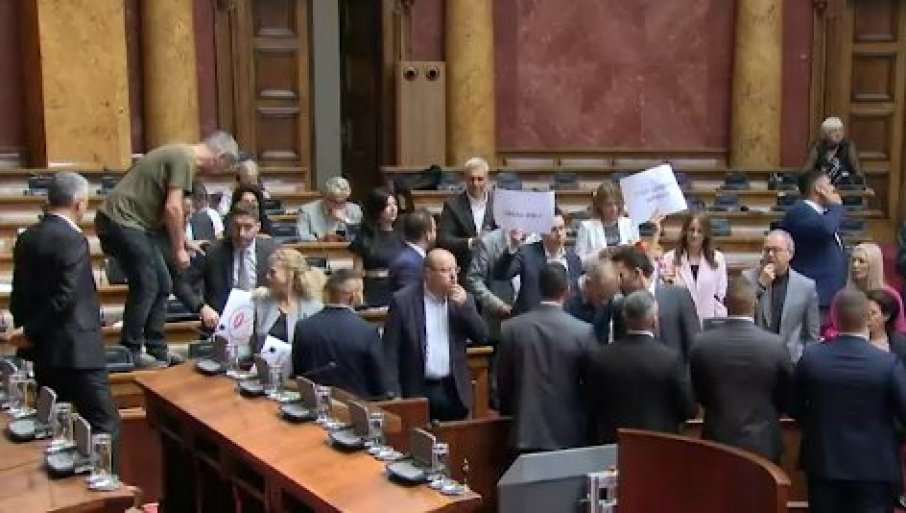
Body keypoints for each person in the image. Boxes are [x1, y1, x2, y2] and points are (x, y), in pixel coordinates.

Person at [95, 131, 239, 367]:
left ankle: (157, 349)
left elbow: (165, 208)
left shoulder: (180, 156)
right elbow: (173, 208)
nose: (215, 173)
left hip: (133, 225)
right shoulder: (184, 158)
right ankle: (130, 349)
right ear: (220, 158)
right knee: (147, 283)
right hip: (121, 221)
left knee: (164, 283)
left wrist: (184, 241)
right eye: (223, 168)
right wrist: (179, 249)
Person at [5, 172, 120, 447]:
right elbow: (66, 297)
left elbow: (19, 296)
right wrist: (29, 330)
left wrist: (27, 332)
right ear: (79, 203)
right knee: (105, 426)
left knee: (57, 428)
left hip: (44, 353)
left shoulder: (27, 238)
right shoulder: (73, 239)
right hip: (78, 353)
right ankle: (101, 476)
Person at [791, 289, 906, 513]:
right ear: (866, 317)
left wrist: (817, 424)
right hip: (875, 468)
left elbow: (793, 405)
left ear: (834, 317)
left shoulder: (812, 358)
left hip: (824, 463)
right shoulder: (887, 364)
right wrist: (888, 435)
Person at [689, 277, 793, 463]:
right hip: (763, 443)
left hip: (718, 442)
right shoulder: (775, 345)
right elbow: (786, 395)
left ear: (725, 304)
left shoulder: (702, 344)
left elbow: (699, 392)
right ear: (755, 303)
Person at [497, 264, 597, 452]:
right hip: (569, 433)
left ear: (539, 288)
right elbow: (591, 385)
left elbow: (503, 383)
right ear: (568, 290)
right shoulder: (583, 332)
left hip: (525, 431)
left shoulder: (511, 329)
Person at [382, 249, 487, 421]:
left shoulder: (463, 300)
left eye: (455, 270)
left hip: (453, 389)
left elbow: (481, 336)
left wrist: (465, 308)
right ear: (427, 273)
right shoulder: (403, 301)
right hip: (417, 389)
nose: (453, 276)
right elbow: (390, 351)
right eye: (445, 270)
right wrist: (393, 394)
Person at [585, 290, 696, 444]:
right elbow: (688, 410)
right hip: (659, 443)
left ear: (625, 318)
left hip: (615, 444)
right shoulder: (670, 360)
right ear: (654, 321)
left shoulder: (601, 358)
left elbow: (592, 405)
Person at [292, 269, 385, 398]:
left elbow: (298, 372)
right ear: (353, 296)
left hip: (313, 402)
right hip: (355, 405)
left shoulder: (303, 327)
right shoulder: (367, 331)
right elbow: (379, 381)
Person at [608, 246, 700, 363]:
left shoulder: (678, 297)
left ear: (637, 273)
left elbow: (694, 343)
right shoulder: (619, 306)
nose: (617, 282)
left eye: (621, 275)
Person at [742, 230, 820, 362]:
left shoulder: (806, 286)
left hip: (792, 359)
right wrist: (761, 285)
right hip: (757, 358)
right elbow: (742, 313)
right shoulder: (748, 278)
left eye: (776, 250)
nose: (770, 255)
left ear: (790, 254)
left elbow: (812, 335)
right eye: (767, 250)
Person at [780, 169, 846, 320]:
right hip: (815, 295)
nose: (833, 189)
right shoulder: (801, 211)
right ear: (819, 189)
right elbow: (826, 229)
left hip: (828, 295)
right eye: (829, 184)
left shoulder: (822, 214)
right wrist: (836, 206)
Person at [494, 209, 582, 315]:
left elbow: (574, 296)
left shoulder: (574, 259)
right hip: (530, 318)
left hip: (563, 319)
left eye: (561, 228)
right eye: (553, 230)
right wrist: (512, 248)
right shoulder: (527, 253)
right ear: (542, 233)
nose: (559, 234)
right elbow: (500, 274)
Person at [201, 204, 279, 317]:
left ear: (258, 227)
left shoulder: (271, 251)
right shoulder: (214, 252)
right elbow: (187, 284)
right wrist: (202, 307)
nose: (241, 233)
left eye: (248, 227)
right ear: (230, 226)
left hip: (261, 318)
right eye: (237, 227)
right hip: (221, 319)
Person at [825, 242, 906, 339]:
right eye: (853, 260)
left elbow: (900, 329)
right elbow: (830, 328)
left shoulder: (891, 295)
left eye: (861, 261)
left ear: (874, 265)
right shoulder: (842, 296)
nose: (855, 265)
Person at [252, 247, 325, 353]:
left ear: (290, 275)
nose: (267, 277)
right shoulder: (260, 301)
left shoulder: (315, 308)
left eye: (272, 272)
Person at [662, 212, 728, 323]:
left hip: (709, 320)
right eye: (691, 230)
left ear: (706, 234)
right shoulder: (669, 258)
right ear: (685, 231)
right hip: (679, 321)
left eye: (700, 231)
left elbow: (720, 294)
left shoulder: (718, 258)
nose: (695, 235)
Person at [437, 157, 496, 280]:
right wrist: (472, 242)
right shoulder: (453, 205)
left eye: (480, 179)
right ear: (465, 179)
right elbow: (443, 239)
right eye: (471, 179)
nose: (475, 184)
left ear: (487, 179)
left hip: (494, 269)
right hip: (465, 269)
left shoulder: (499, 203)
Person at [349, 188, 405, 307]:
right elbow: (357, 272)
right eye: (387, 205)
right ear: (376, 209)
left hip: (398, 288)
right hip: (373, 290)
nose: (393, 209)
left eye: (395, 204)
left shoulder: (403, 235)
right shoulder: (364, 237)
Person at [575, 181, 639, 266]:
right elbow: (578, 263)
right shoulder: (586, 227)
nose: (614, 209)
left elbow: (639, 256)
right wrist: (600, 255)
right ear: (599, 205)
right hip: (598, 271)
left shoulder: (630, 224)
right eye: (609, 205)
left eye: (616, 204)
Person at [564, 259, 620, 343]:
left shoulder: (606, 294)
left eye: (609, 298)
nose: (604, 303)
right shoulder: (566, 298)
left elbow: (603, 336)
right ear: (588, 283)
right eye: (601, 297)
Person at [296, 176, 363, 241]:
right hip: (316, 248)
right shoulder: (306, 211)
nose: (337, 206)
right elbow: (301, 236)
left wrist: (346, 220)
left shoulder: (355, 210)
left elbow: (360, 237)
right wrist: (322, 239)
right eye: (333, 201)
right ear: (324, 197)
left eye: (342, 202)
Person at [802, 116, 862, 185]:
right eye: (834, 131)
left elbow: (857, 171)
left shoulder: (848, 146)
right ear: (826, 133)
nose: (838, 134)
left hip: (844, 186)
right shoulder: (818, 147)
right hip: (822, 186)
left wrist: (861, 185)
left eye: (840, 130)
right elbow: (806, 172)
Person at [388, 209, 436, 292]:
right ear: (427, 235)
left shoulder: (409, 256)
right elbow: (409, 297)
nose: (436, 234)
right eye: (434, 230)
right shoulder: (408, 264)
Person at [866, 288, 906, 359]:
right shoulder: (855, 341)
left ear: (886, 316)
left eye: (873, 313)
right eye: (864, 312)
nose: (867, 318)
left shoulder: (901, 344)